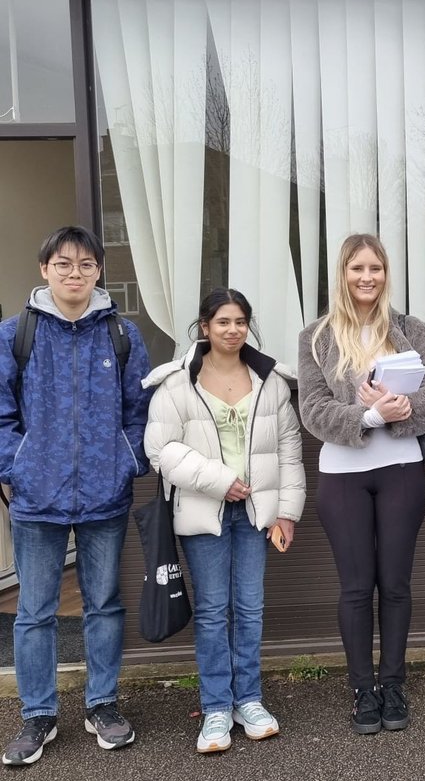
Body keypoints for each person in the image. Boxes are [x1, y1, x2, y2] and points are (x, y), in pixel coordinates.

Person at [0, 226, 152, 766]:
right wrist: (17, 466)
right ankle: (37, 715)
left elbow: (140, 411)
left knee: (104, 605)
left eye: (86, 265)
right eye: (64, 264)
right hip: (36, 499)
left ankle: (102, 704)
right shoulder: (14, 334)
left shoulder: (122, 335)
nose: (74, 274)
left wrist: (126, 462)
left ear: (97, 273)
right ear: (45, 269)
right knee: (35, 611)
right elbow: (1, 414)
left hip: (103, 495)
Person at [298, 234, 425, 735]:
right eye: (357, 269)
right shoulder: (316, 337)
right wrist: (367, 413)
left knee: (397, 585)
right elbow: (313, 410)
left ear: (386, 274)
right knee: (356, 588)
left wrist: (405, 409)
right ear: (342, 274)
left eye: (377, 269)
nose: (367, 278)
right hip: (342, 475)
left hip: (403, 470)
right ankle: (363, 690)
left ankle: (393, 684)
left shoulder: (410, 329)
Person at [143, 288, 306, 753]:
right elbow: (161, 449)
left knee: (250, 609)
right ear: (204, 326)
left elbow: (289, 451)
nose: (232, 330)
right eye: (222, 322)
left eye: (240, 321)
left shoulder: (270, 380)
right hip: (203, 510)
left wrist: (287, 512)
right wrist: (218, 481)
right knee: (214, 612)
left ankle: (249, 700)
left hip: (256, 513)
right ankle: (216, 707)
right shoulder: (178, 382)